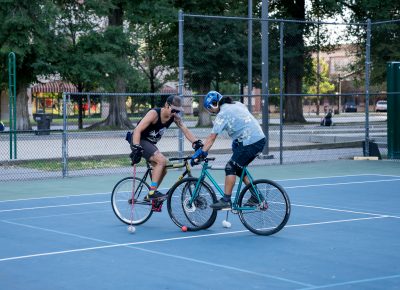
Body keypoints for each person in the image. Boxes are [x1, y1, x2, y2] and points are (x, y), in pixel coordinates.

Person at [191, 91, 266, 210]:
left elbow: (211, 138)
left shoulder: (222, 114)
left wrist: (201, 153)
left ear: (213, 105)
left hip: (250, 141)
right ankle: (257, 196)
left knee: (230, 167)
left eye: (209, 109)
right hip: (258, 139)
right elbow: (242, 120)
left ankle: (226, 200)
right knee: (239, 168)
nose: (210, 112)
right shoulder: (237, 104)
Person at [127, 95, 202, 201]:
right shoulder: (154, 114)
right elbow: (137, 130)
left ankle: (151, 194)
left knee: (164, 167)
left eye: (178, 111)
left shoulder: (174, 117)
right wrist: (136, 147)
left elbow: (185, 129)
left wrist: (195, 142)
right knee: (161, 160)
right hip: (139, 141)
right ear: (167, 105)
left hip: (150, 144)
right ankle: (153, 192)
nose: (175, 113)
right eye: (173, 110)